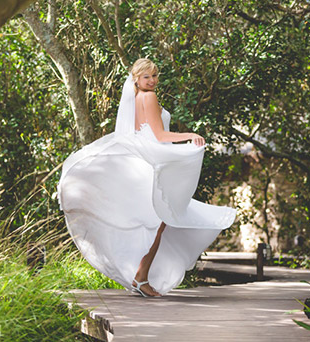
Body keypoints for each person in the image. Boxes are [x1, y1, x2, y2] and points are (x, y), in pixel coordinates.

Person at [58, 58, 236, 297]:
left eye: (154, 76)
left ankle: (141, 275)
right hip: (151, 162)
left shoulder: (137, 99)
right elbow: (160, 136)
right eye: (146, 77)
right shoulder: (148, 97)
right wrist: (190, 135)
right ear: (136, 79)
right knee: (160, 221)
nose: (152, 81)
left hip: (145, 160)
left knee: (159, 222)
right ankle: (141, 276)